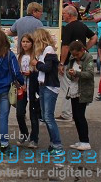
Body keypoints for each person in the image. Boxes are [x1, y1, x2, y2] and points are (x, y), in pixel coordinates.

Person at [32, 28, 66, 160]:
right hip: (43, 86)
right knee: (46, 117)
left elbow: (47, 68)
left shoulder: (49, 50)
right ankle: (53, 145)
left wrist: (37, 63)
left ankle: (57, 145)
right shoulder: (43, 52)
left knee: (48, 117)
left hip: (50, 87)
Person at [58, 4, 95, 120]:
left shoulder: (68, 28)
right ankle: (75, 113)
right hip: (80, 60)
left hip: (70, 61)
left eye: (63, 13)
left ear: (69, 15)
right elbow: (94, 37)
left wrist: (62, 63)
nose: (62, 15)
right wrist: (85, 49)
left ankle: (67, 113)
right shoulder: (83, 26)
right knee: (76, 86)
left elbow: (65, 46)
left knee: (67, 88)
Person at [63, 40, 95, 151]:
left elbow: (90, 74)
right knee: (75, 116)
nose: (75, 57)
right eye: (73, 55)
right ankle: (81, 140)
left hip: (83, 91)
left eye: (77, 54)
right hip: (73, 90)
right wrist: (70, 73)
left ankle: (85, 141)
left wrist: (77, 73)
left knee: (80, 116)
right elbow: (67, 71)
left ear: (82, 50)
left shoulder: (88, 58)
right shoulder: (72, 59)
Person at [15, 33, 37, 147]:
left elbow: (39, 71)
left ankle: (34, 138)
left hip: (32, 87)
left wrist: (32, 72)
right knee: (19, 113)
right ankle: (24, 132)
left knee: (33, 114)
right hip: (21, 88)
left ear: (32, 43)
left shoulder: (35, 56)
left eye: (27, 42)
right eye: (23, 42)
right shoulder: (19, 56)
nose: (25, 44)